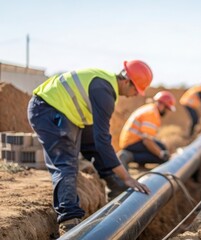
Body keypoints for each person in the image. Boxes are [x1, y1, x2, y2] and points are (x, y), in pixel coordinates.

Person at [27, 60, 152, 235]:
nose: (134, 95)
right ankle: (69, 221)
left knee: (92, 146)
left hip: (67, 114)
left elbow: (97, 142)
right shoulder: (104, 91)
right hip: (48, 110)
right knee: (66, 163)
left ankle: (115, 186)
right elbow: (103, 139)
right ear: (126, 81)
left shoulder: (104, 85)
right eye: (135, 90)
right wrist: (127, 178)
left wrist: (119, 179)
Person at [117, 91, 176, 169]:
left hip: (132, 140)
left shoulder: (150, 109)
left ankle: (140, 162)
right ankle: (129, 156)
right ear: (162, 105)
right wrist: (161, 154)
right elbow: (147, 141)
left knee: (161, 147)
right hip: (131, 143)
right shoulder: (152, 114)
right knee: (161, 157)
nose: (168, 111)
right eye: (167, 108)